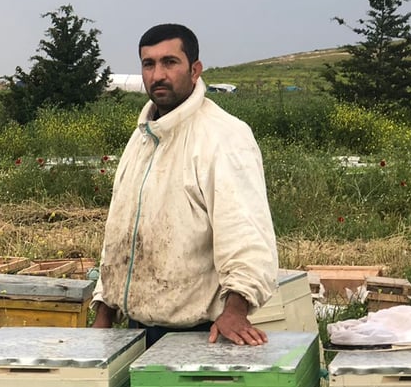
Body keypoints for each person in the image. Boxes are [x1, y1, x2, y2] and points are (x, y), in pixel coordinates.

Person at [91, 23, 278, 348]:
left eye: (170, 62)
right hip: (136, 330)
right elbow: (120, 232)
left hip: (203, 333)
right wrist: (104, 313)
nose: (158, 74)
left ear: (194, 70)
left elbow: (246, 233)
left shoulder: (224, 137)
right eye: (149, 64)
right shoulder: (142, 138)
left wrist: (236, 309)